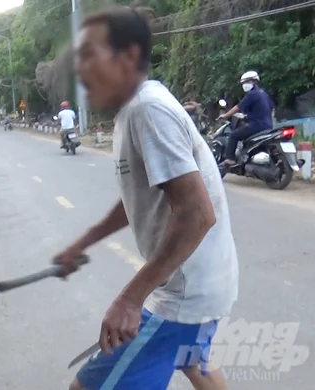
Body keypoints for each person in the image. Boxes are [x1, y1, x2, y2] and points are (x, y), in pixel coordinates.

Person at [59, 6, 237, 390]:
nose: (81, 68)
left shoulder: (148, 110)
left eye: (90, 54)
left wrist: (130, 299)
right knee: (195, 363)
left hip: (183, 294)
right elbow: (138, 197)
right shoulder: (131, 113)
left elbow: (196, 214)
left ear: (127, 58)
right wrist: (84, 241)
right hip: (202, 284)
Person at [217, 71, 274, 166]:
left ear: (254, 82)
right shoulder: (264, 94)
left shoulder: (252, 94)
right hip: (268, 126)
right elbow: (269, 108)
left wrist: (225, 115)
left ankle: (230, 159)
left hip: (257, 126)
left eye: (246, 82)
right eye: (243, 83)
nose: (244, 85)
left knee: (233, 135)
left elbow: (238, 107)